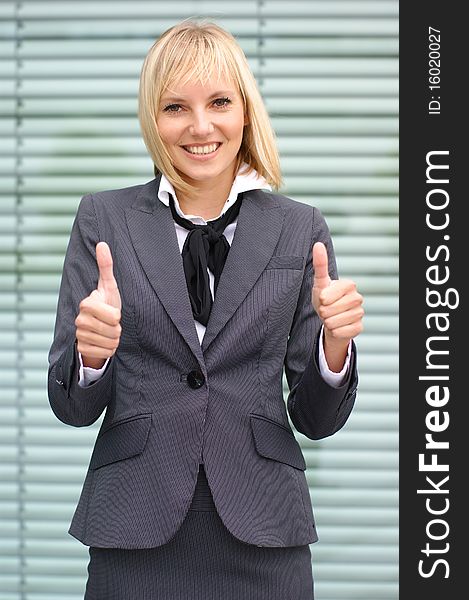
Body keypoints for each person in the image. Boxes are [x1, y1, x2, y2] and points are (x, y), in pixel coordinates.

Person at [47, 18, 364, 600]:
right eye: (175, 107)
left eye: (219, 101)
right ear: (153, 117)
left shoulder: (300, 229)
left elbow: (316, 420)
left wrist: (334, 350)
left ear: (244, 109)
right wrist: (91, 358)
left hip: (265, 530)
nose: (200, 126)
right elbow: (72, 407)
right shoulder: (103, 221)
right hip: (134, 530)